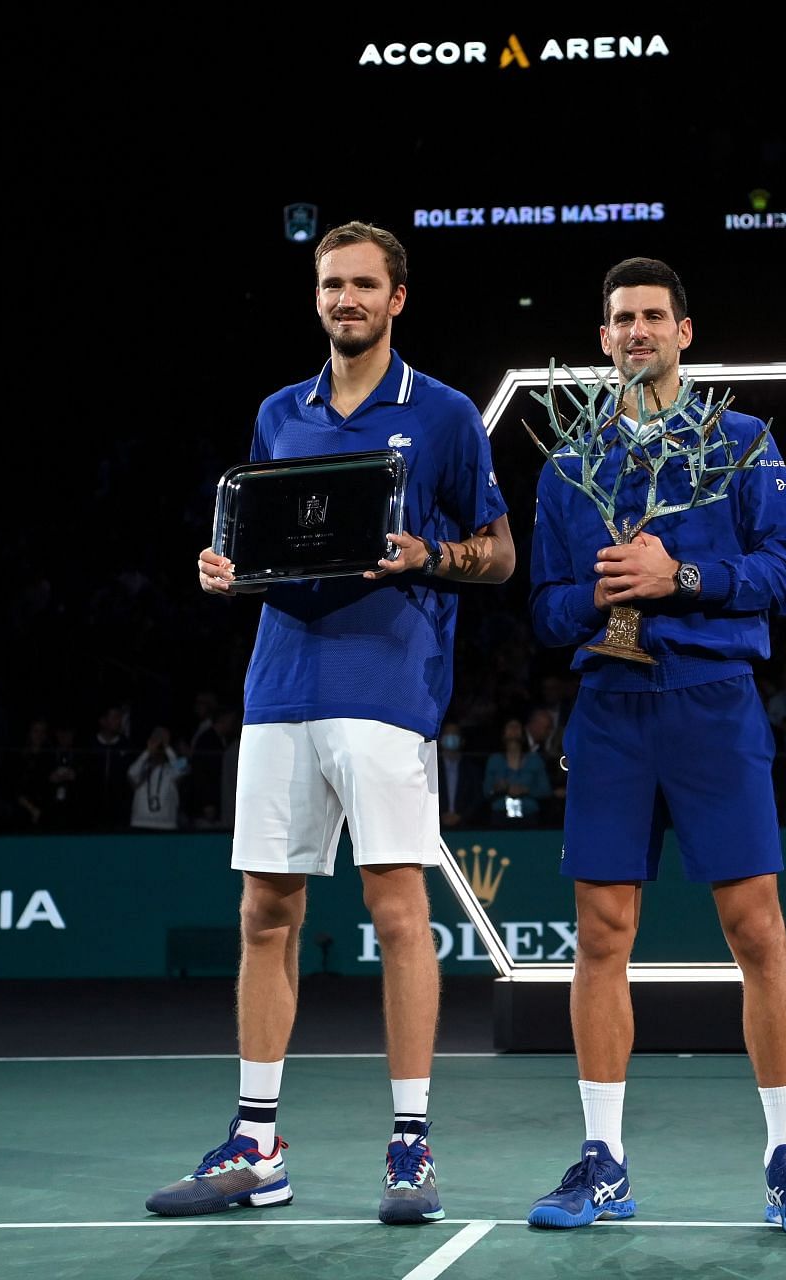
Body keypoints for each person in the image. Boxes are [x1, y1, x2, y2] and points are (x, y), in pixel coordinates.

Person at [150, 221, 513, 1226]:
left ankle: (410, 1145)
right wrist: (224, 568)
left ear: (398, 298)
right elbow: (258, 538)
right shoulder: (280, 412)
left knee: (397, 911)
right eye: (330, 284)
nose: (344, 299)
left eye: (362, 285)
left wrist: (425, 558)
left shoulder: (440, 415)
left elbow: (499, 553)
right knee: (265, 913)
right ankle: (257, 1143)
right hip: (279, 685)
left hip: (389, 686)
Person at [525, 257, 786, 1237]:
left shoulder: (746, 445)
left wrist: (681, 575)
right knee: (602, 936)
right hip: (611, 709)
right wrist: (602, 595)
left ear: (685, 332)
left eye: (654, 315)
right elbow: (542, 608)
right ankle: (602, 1160)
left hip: (712, 703)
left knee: (757, 930)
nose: (637, 331)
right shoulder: (567, 465)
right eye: (621, 318)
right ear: (604, 337)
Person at [483, 716, 552, 825]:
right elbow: (487, 791)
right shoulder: (494, 760)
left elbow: (546, 790)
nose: (514, 730)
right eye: (510, 727)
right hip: (500, 816)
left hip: (529, 816)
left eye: (517, 727)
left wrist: (526, 790)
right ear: (503, 733)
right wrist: (498, 788)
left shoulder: (535, 760)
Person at [126, 726, 189, 832]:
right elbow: (131, 773)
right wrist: (148, 751)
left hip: (167, 824)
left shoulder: (173, 766)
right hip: (140, 822)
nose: (159, 743)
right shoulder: (142, 766)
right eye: (156, 737)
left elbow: (182, 769)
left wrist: (167, 747)